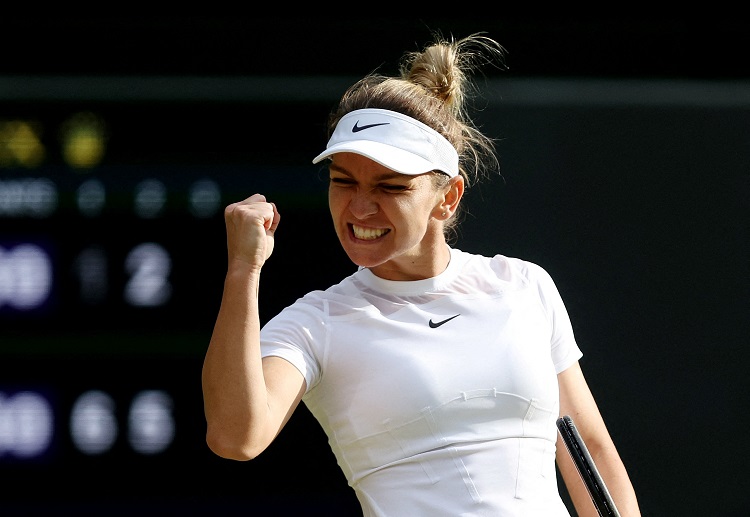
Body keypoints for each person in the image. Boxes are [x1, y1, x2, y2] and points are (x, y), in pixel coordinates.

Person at [202, 32, 641, 516]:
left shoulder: (523, 285)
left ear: (447, 198)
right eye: (342, 182)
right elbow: (234, 437)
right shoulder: (315, 323)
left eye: (389, 186)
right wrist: (244, 270)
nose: (360, 207)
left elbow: (591, 453)